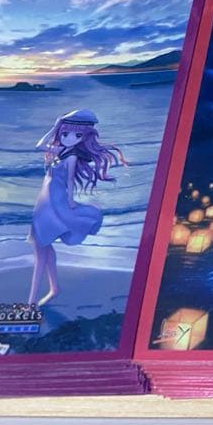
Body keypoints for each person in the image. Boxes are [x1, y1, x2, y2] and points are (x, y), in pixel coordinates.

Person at [29, 109, 127, 306]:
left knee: (40, 246)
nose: (69, 138)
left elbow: (70, 181)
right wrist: (55, 126)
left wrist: (71, 202)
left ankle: (30, 302)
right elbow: (39, 145)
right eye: (65, 133)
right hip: (44, 200)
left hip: (54, 201)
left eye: (76, 135)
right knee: (42, 245)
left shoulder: (71, 156)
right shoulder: (61, 151)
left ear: (84, 137)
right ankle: (54, 288)